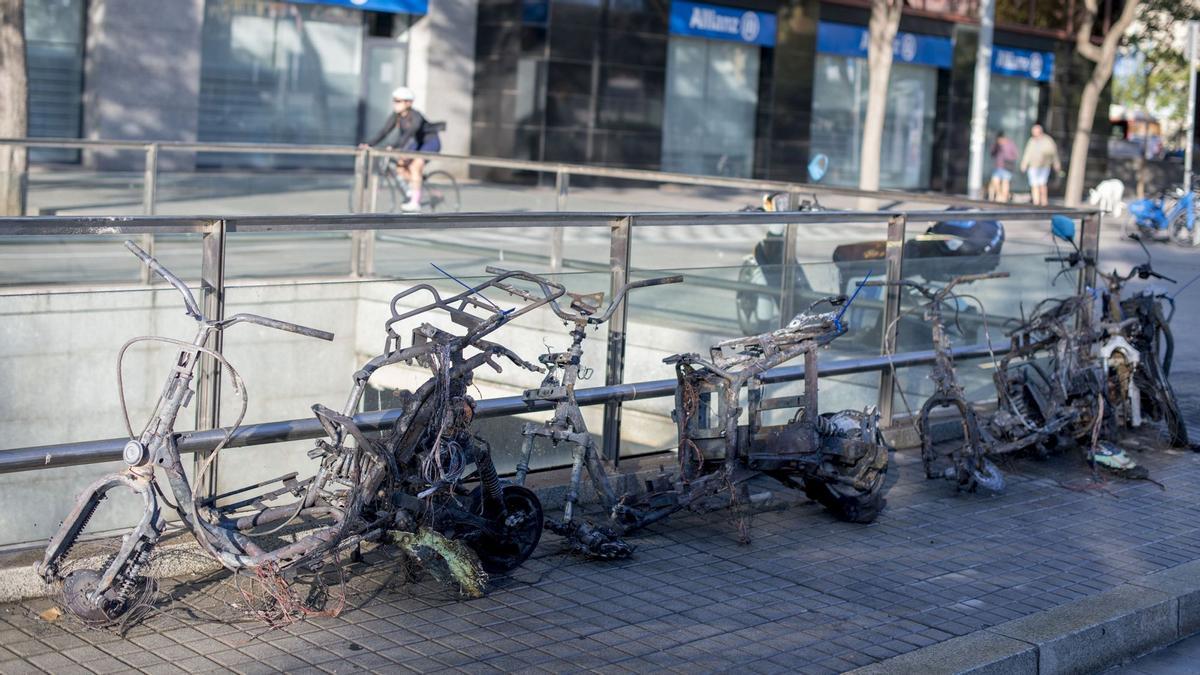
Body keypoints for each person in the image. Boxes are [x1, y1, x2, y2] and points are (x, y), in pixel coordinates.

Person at [359, 86, 441, 212]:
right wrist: (368, 144)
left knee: (415, 166)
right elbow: (384, 132)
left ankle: (415, 202)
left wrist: (395, 146)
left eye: (398, 101)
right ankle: (416, 187)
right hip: (416, 142)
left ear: (408, 103)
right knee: (400, 166)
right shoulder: (396, 116)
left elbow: (409, 133)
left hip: (429, 142)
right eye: (394, 100)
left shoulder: (416, 116)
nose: (395, 104)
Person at [1019, 124, 1061, 206]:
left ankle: (1044, 201)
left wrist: (1056, 163)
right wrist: (1024, 164)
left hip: (1044, 166)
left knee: (1042, 184)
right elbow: (1028, 153)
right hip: (1033, 166)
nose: (1034, 133)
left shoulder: (1048, 140)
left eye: (1035, 132)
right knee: (1034, 184)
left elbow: (1054, 153)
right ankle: (1036, 202)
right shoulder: (1031, 141)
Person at [988, 131, 1018, 202]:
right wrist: (996, 147)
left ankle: (1004, 198)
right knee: (995, 181)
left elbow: (1015, 155)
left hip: (1007, 167)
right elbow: (992, 153)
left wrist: (1007, 156)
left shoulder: (1010, 144)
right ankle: (999, 194)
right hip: (998, 167)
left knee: (1005, 182)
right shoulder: (997, 145)